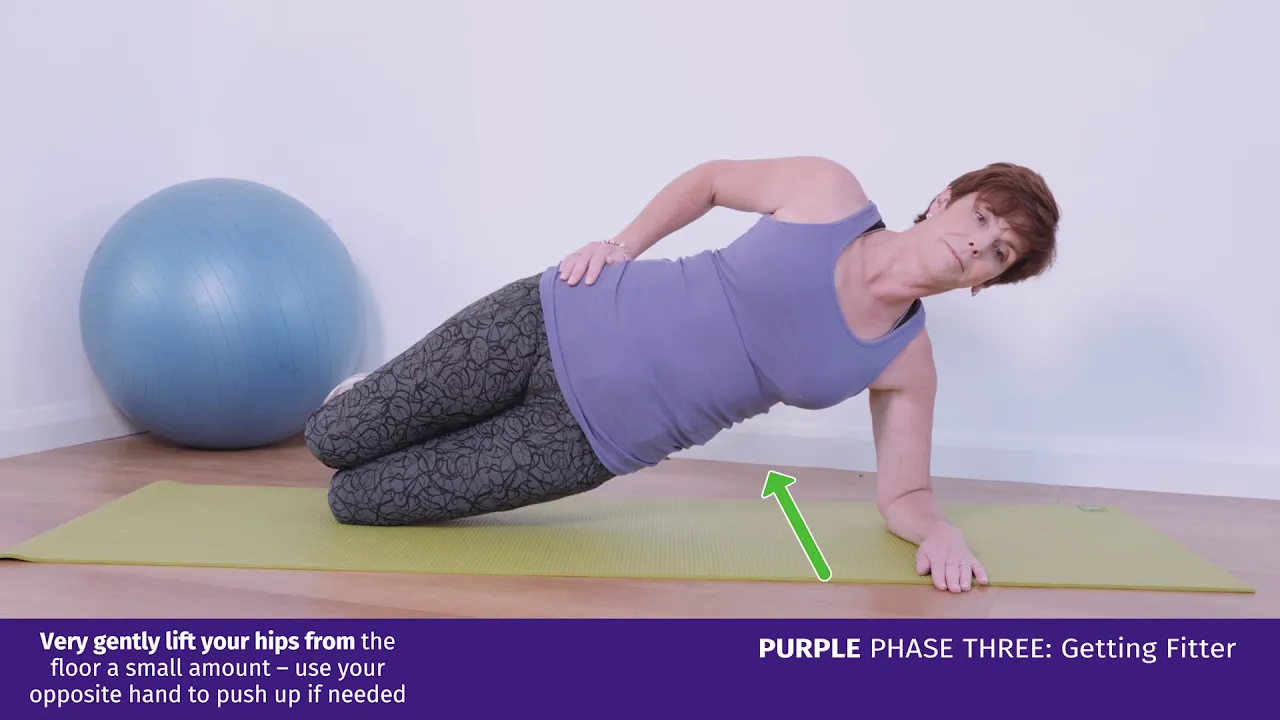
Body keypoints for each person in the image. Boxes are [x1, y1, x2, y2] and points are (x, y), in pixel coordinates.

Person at [304, 156, 1060, 594]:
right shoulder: (829, 194)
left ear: (985, 285)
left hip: (583, 445)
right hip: (554, 319)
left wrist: (941, 531)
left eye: (1000, 254)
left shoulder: (904, 359)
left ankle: (402, 413)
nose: (979, 245)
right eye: (983, 219)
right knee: (332, 436)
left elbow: (904, 494)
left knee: (356, 500)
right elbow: (708, 183)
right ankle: (373, 398)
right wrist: (621, 244)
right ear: (943, 201)